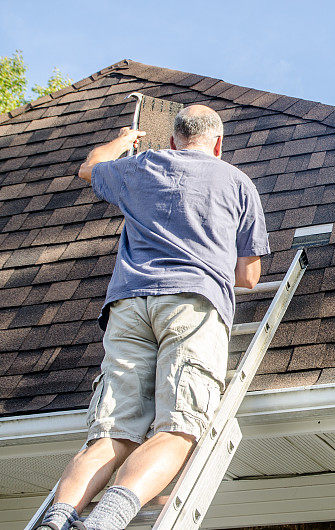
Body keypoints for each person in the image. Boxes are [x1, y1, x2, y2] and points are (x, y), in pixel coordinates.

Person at [37, 105, 270, 530]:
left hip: (128, 306)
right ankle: (103, 523)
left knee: (112, 432)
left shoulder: (141, 167)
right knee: (179, 428)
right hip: (191, 305)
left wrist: (122, 142)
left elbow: (90, 167)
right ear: (218, 144)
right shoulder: (238, 183)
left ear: (171, 140)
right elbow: (250, 277)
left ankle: (57, 519)